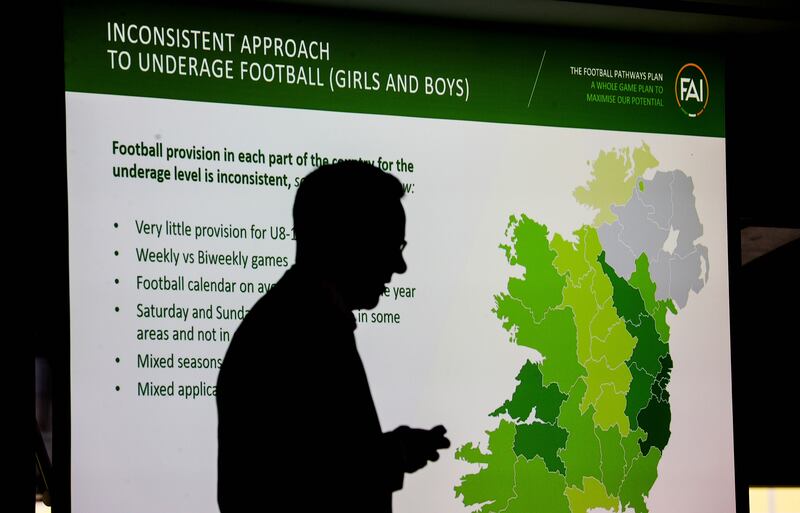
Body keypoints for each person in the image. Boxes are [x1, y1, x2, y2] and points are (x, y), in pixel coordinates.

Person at [216, 161, 450, 513]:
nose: (399, 266)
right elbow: (304, 485)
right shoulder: (298, 332)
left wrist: (392, 452)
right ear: (351, 238)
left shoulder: (298, 320)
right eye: (391, 244)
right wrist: (393, 454)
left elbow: (317, 459)